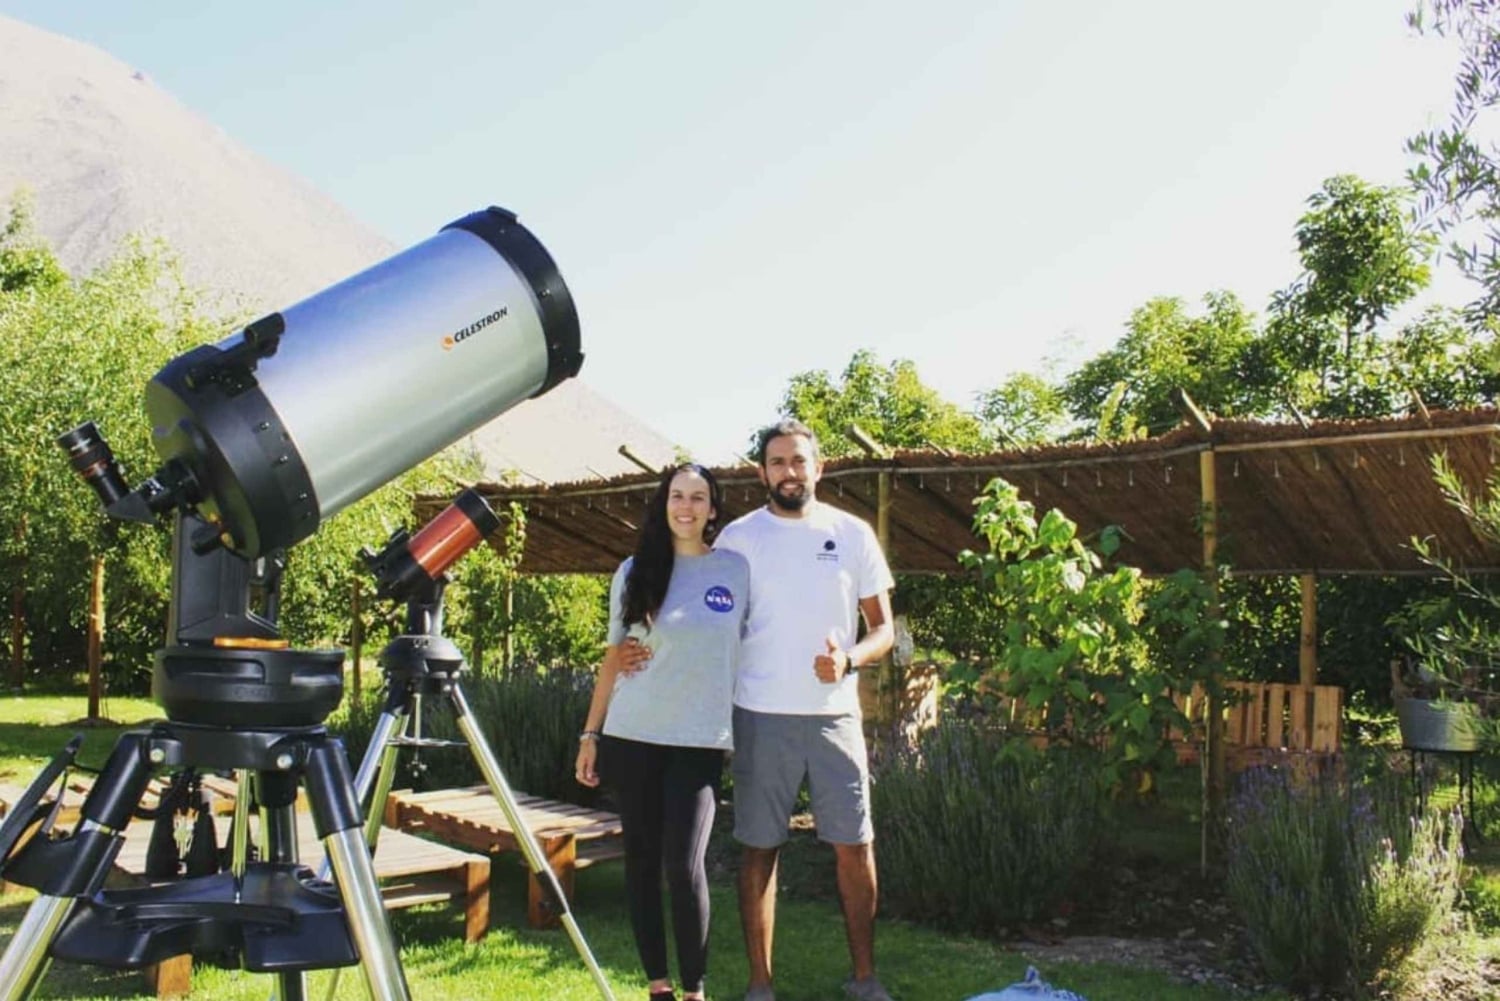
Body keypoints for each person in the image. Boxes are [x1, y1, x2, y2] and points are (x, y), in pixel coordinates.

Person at [714, 419, 897, 1001]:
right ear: (761, 472)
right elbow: (711, 621)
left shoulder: (853, 533)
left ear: (819, 467)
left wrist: (847, 660)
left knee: (854, 844)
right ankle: (760, 984)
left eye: (799, 461)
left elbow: (885, 630)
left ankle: (865, 978)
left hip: (834, 715)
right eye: (777, 462)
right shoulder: (738, 539)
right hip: (759, 711)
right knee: (760, 845)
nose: (789, 472)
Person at [574, 462, 749, 1001]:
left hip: (700, 740)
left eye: (698, 498)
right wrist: (590, 733)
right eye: (677, 496)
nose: (687, 507)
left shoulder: (736, 570)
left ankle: (695, 989)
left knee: (685, 863)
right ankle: (658, 986)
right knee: (643, 862)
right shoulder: (634, 570)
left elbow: (751, 647)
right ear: (664, 503)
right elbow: (612, 657)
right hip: (634, 734)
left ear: (713, 509)